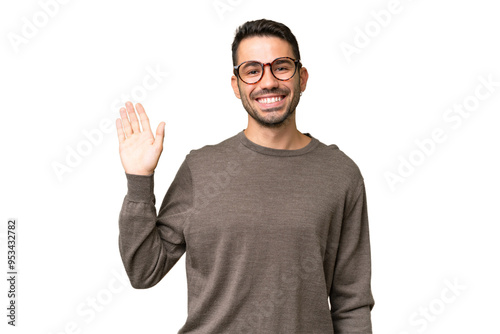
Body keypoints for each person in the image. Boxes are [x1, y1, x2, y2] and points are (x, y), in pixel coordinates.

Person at [116, 18, 375, 333]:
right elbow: (144, 271)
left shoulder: (340, 174)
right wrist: (139, 181)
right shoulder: (201, 168)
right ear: (236, 86)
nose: (268, 82)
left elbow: (352, 304)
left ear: (302, 77)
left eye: (281, 66)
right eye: (252, 71)